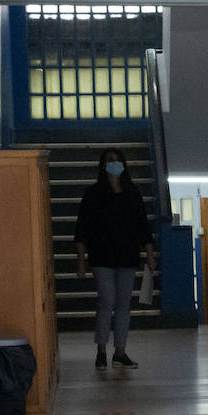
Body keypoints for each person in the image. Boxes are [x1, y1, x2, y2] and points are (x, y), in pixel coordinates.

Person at [74, 147, 154, 370]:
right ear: (102, 165)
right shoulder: (93, 194)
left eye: (118, 160)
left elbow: (142, 227)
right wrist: (81, 260)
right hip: (101, 256)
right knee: (107, 300)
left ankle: (120, 350)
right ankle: (101, 349)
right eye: (110, 160)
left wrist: (149, 254)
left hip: (127, 256)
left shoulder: (133, 193)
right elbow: (82, 230)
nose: (114, 164)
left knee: (123, 305)